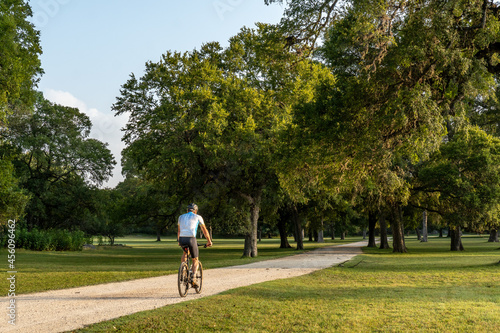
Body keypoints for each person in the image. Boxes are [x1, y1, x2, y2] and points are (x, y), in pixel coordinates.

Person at [177, 203, 212, 287]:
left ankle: (183, 271)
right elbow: (204, 230)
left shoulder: (180, 217)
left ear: (187, 210)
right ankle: (193, 277)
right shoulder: (198, 217)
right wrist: (209, 241)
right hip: (191, 239)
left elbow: (179, 231)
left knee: (185, 253)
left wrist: (179, 241)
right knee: (195, 259)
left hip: (182, 238)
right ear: (195, 211)